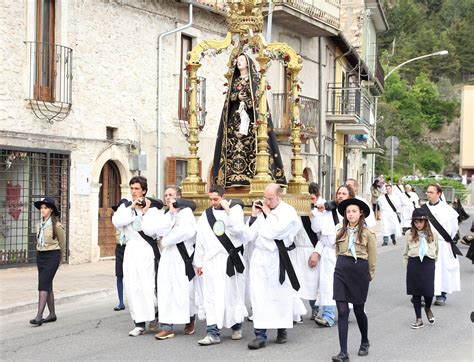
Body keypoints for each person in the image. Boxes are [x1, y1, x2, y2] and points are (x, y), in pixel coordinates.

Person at [211, 53, 286, 188]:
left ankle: (250, 177)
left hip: (250, 122)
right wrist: (236, 96)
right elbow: (228, 101)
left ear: (247, 63)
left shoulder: (255, 81)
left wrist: (248, 101)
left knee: (250, 148)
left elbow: (259, 101)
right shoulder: (234, 81)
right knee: (233, 148)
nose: (239, 63)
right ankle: (232, 178)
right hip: (234, 122)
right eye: (238, 60)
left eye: (242, 60)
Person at [245, 183, 304, 349]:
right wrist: (254, 216)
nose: (266, 201)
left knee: (279, 295)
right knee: (259, 295)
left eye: (270, 199)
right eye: (265, 198)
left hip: (278, 258)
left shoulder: (288, 212)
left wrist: (267, 213)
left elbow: (275, 231)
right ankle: (260, 335)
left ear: (279, 196)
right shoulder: (263, 211)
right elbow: (248, 235)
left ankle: (281, 329)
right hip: (260, 258)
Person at [194, 185, 248, 345]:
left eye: (216, 199)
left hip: (229, 260)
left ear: (223, 196)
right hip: (211, 262)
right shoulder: (206, 214)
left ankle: (236, 326)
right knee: (211, 297)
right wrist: (198, 261)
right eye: (210, 199)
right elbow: (200, 239)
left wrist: (227, 209)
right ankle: (212, 333)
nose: (212, 202)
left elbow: (239, 229)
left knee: (231, 294)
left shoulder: (235, 210)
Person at [141, 186, 197, 340]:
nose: (168, 198)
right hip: (167, 256)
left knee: (184, 290)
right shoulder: (166, 213)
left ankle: (189, 320)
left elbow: (187, 231)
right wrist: (171, 215)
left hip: (181, 256)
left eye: (171, 195)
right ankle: (167, 326)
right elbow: (157, 230)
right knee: (166, 289)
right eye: (166, 195)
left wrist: (167, 239)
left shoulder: (186, 212)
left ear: (178, 196)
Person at [112, 176, 158, 337]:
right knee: (132, 286)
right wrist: (132, 208)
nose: (134, 191)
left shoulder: (152, 208)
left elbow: (152, 231)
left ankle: (153, 314)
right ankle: (138, 323)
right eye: (132, 188)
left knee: (146, 284)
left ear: (144, 190)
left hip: (145, 249)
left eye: (137, 189)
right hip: (131, 249)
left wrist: (144, 213)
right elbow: (117, 221)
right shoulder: (126, 206)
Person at [332, 198, 376, 361]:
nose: (350, 214)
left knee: (358, 310)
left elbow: (372, 258)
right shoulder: (339, 230)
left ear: (361, 213)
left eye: (354, 211)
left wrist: (368, 276)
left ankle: (365, 341)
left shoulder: (368, 233)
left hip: (359, 272)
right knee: (342, 311)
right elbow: (337, 250)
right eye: (348, 212)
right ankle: (343, 352)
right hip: (341, 270)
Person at [311, 185, 354, 328]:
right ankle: (328, 315)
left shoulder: (352, 212)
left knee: (345, 283)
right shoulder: (327, 211)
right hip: (329, 252)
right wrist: (318, 213)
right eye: (338, 193)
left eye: (344, 193)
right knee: (327, 284)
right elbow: (317, 230)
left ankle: (345, 311)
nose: (340, 195)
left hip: (346, 252)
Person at [290, 182, 323, 323]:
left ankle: (315, 308)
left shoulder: (318, 213)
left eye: (312, 199)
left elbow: (323, 237)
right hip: (296, 250)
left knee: (312, 283)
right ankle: (295, 313)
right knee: (293, 283)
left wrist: (317, 253)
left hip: (311, 250)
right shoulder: (295, 213)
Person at [423, 184, 461, 306]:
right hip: (426, 243)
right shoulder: (422, 209)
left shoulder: (448, 210)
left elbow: (454, 228)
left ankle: (441, 295)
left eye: (431, 192)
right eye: (427, 192)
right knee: (425, 269)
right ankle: (424, 294)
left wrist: (444, 239)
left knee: (443, 269)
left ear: (438, 194)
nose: (428, 194)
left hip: (442, 244)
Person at [30, 197, 65, 326]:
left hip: (53, 256)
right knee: (47, 284)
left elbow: (62, 244)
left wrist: (59, 260)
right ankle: (52, 314)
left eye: (45, 208)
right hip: (41, 256)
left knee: (43, 284)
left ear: (51, 210)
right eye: (41, 208)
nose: (42, 210)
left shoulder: (57, 226)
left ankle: (39, 316)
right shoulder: (39, 225)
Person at [403, 208, 439, 329]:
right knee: (416, 293)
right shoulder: (409, 234)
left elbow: (437, 249)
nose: (418, 224)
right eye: (416, 222)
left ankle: (427, 307)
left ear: (425, 222)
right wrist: (407, 266)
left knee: (429, 292)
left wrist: (433, 262)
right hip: (414, 263)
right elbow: (405, 252)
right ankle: (419, 319)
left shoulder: (433, 234)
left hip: (428, 262)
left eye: (421, 222)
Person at [111, 203, 126, 312]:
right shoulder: (116, 221)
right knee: (119, 275)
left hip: (130, 247)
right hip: (119, 247)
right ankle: (121, 302)